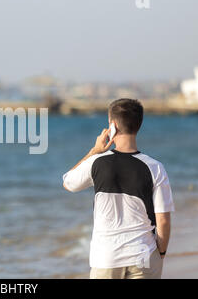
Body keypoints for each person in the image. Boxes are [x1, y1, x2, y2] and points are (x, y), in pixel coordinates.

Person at [62, 98, 174, 279]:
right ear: (138, 125)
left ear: (112, 125)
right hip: (143, 255)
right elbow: (163, 221)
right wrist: (161, 253)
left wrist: (94, 150)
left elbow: (68, 183)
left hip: (106, 258)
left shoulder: (96, 162)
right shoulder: (155, 167)